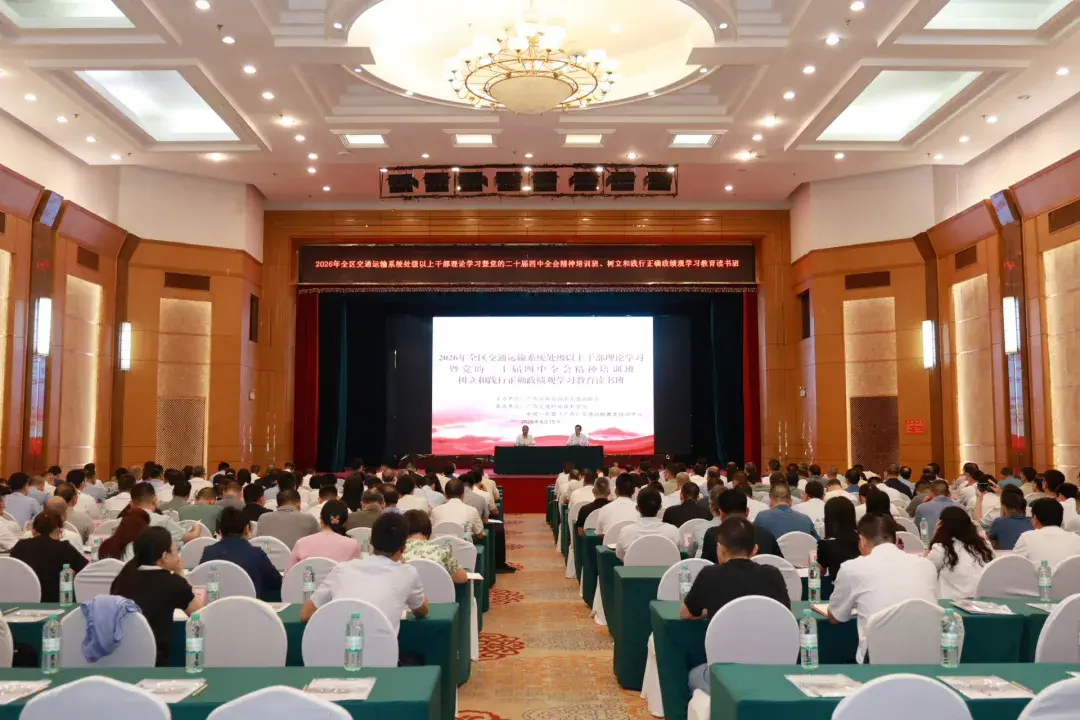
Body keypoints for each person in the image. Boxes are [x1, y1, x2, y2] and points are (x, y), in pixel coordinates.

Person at [682, 517, 790, 694]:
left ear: (721, 549)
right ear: (754, 549)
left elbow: (686, 613)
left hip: (723, 676)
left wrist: (710, 611)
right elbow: (785, 615)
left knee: (694, 675)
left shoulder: (709, 574)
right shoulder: (773, 574)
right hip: (770, 672)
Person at [827, 514, 938, 663]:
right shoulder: (927, 565)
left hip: (877, 660)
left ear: (862, 540)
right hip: (928, 655)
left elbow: (835, 617)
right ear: (896, 540)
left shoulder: (852, 568)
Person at [301, 513, 428, 631]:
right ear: (404, 548)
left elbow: (306, 614)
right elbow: (421, 611)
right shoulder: (408, 573)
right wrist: (403, 562)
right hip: (383, 648)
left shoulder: (342, 569)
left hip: (337, 645)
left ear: (370, 541)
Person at [109, 526, 201, 666]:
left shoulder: (123, 578)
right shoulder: (172, 583)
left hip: (120, 657)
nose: (178, 555)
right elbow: (199, 613)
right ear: (164, 556)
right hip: (156, 662)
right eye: (175, 550)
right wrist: (181, 573)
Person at [201, 507, 283, 601]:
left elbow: (199, 584)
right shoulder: (256, 554)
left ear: (220, 531)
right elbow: (277, 583)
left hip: (214, 607)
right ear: (247, 529)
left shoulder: (208, 552)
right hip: (249, 607)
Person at [10, 511, 89, 602]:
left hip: (24, 600)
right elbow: (85, 570)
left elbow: (12, 569)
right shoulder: (63, 548)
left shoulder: (20, 546)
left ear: (34, 530)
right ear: (59, 530)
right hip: (57, 601)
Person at [698, 486, 782, 561]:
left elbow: (704, 564)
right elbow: (781, 564)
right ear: (747, 512)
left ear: (721, 514)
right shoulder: (766, 534)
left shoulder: (712, 535)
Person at [926, 506, 994, 599]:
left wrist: (934, 537)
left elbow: (924, 570)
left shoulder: (941, 549)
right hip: (983, 601)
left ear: (942, 526)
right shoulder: (985, 546)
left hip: (950, 603)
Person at [288, 500, 359, 569]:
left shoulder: (302, 543)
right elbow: (354, 573)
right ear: (345, 522)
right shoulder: (353, 545)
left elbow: (289, 574)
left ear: (321, 520)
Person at [615, 487, 681, 560]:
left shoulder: (625, 532)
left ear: (637, 508)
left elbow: (620, 556)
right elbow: (677, 554)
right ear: (660, 507)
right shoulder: (673, 531)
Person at [402, 509, 467, 583]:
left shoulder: (395, 553)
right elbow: (462, 578)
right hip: (438, 590)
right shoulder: (442, 551)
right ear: (428, 530)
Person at [1013, 498, 1080, 569]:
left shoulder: (1027, 537)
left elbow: (1013, 564)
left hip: (1040, 576)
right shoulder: (1076, 538)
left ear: (1035, 518)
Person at [754, 483, 819, 540]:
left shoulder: (761, 517)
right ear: (791, 501)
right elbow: (816, 542)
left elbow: (752, 540)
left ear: (770, 501)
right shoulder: (806, 519)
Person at [817, 496, 860, 579]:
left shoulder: (826, 545)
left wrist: (812, 561)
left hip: (837, 585)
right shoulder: (864, 542)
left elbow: (816, 575)